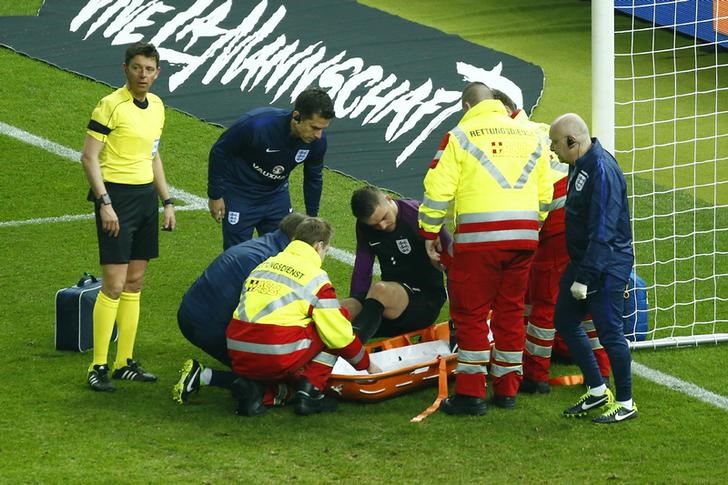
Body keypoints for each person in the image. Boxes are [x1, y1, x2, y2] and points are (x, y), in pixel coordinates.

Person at [418, 82, 553, 415]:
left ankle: (471, 393)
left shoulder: (460, 137)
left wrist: (429, 231)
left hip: (479, 241)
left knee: (471, 314)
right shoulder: (530, 134)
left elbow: (437, 189)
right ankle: (507, 390)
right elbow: (545, 193)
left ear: (466, 106)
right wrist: (530, 224)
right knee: (510, 311)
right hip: (523, 238)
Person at [490, 90, 612, 393]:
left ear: (505, 110)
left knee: (543, 301)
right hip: (569, 222)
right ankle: (602, 366)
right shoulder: (542, 130)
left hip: (553, 225)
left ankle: (536, 375)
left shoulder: (512, 140)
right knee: (574, 299)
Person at [80, 42, 176, 392]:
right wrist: (105, 203)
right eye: (137, 68)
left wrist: (166, 200)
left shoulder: (158, 107)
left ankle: (124, 362)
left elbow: (154, 156)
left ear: (157, 72)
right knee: (114, 284)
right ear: (125, 69)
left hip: (145, 198)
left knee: (135, 282)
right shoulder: (110, 106)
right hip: (116, 197)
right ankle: (98, 365)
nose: (143, 75)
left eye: (149, 69)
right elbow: (89, 158)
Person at [226, 217, 378, 416]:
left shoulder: (265, 265)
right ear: (319, 246)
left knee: (300, 325)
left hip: (237, 350)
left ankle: (261, 393)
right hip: (275, 353)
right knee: (330, 324)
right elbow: (337, 334)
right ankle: (311, 394)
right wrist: (366, 364)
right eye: (326, 251)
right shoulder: (315, 278)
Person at [549, 113, 637, 423]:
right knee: (564, 319)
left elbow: (603, 230)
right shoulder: (579, 163)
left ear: (572, 141)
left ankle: (626, 402)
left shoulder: (601, 170)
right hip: (586, 260)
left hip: (606, 262)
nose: (552, 149)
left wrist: (584, 278)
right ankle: (598, 389)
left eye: (555, 143)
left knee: (610, 331)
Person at [172, 213, 306, 404]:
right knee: (276, 374)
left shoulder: (262, 245)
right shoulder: (273, 262)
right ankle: (204, 376)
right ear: (295, 239)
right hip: (208, 326)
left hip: (189, 314)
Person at [207, 87, 335, 249]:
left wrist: (312, 217)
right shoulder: (256, 124)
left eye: (323, 129)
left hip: (276, 195)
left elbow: (313, 178)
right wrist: (215, 195)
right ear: (296, 117)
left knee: (283, 252)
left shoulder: (317, 143)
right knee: (237, 254)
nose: (319, 135)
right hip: (240, 194)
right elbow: (220, 152)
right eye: (314, 127)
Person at [339, 186, 450, 342]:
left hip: (425, 303)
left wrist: (462, 318)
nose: (382, 226)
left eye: (384, 217)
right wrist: (357, 302)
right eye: (375, 225)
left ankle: (352, 349)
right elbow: (362, 268)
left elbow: (453, 262)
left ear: (388, 198)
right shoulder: (364, 226)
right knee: (341, 308)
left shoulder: (421, 215)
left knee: (380, 289)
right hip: (386, 307)